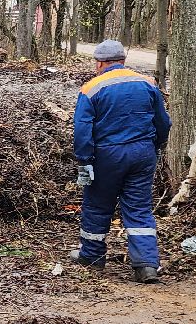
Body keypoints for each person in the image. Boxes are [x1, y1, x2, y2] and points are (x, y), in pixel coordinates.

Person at [73, 39, 172, 284]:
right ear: (123, 61)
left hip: (107, 155)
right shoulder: (147, 84)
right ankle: (147, 265)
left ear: (99, 62)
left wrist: (85, 159)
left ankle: (92, 256)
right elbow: (163, 123)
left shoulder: (91, 88)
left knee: (97, 205)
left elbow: (82, 129)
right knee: (139, 208)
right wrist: (154, 146)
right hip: (142, 154)